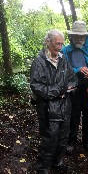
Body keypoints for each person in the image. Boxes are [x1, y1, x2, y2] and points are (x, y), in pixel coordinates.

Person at [30, 29, 78, 174]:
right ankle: (43, 167)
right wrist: (60, 91)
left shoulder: (63, 59)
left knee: (63, 137)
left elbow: (73, 79)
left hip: (65, 107)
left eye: (62, 44)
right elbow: (36, 86)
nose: (60, 47)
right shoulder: (39, 62)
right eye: (57, 44)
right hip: (48, 109)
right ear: (48, 42)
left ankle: (57, 161)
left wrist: (69, 87)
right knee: (49, 139)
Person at [61, 21, 88, 155]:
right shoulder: (65, 50)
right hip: (73, 90)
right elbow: (62, 70)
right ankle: (71, 141)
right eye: (76, 36)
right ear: (72, 36)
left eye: (82, 36)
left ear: (86, 36)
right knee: (73, 117)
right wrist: (78, 70)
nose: (79, 38)